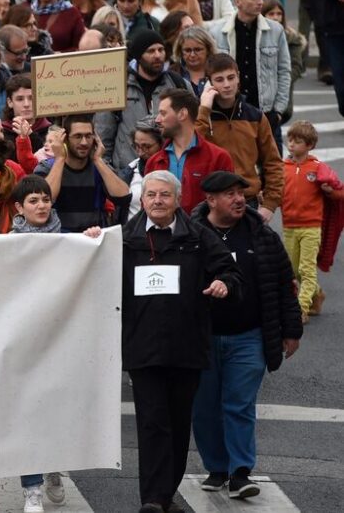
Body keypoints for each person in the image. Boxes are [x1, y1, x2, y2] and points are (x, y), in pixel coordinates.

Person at [121, 170, 240, 513]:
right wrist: (93, 238)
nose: (157, 201)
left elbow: (230, 273)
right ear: (142, 201)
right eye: (151, 195)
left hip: (186, 346)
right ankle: (153, 499)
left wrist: (224, 285)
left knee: (177, 422)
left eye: (164, 195)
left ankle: (164, 493)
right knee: (152, 421)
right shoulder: (124, 239)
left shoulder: (199, 238)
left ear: (178, 199)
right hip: (143, 348)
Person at [190, 170, 302, 499]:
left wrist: (291, 328)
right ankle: (217, 467)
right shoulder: (191, 233)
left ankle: (241, 472)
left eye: (242, 193)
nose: (240, 199)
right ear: (210, 200)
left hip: (248, 337)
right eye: (230, 194)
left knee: (238, 405)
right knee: (205, 407)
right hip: (203, 338)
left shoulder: (261, 235)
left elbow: (284, 282)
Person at [194, 54, 283, 222]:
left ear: (238, 78)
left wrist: (270, 204)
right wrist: (204, 108)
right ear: (209, 83)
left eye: (231, 77)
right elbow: (191, 147)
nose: (227, 85)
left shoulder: (255, 116)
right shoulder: (201, 116)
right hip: (210, 201)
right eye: (219, 80)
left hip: (247, 199)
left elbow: (273, 162)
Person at [207, 0, 292, 150]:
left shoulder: (275, 30)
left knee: (272, 169)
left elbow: (284, 71)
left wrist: (278, 111)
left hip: (266, 113)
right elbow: (209, 72)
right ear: (238, 1)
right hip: (229, 114)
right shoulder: (218, 31)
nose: (260, 1)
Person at [96, 30, 187, 169]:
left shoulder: (178, 84)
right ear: (139, 56)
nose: (157, 55)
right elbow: (104, 134)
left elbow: (189, 126)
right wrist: (108, 171)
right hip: (128, 172)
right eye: (151, 51)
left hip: (170, 168)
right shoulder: (117, 86)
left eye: (161, 50)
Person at [281, 121, 344, 320]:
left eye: (298, 142)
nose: (292, 145)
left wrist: (330, 191)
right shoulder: (283, 167)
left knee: (306, 269)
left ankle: (301, 308)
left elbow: (339, 193)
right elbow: (275, 191)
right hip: (289, 226)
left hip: (311, 227)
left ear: (309, 146)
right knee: (293, 269)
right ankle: (317, 294)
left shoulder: (318, 168)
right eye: (290, 140)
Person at [144, 89, 236, 213]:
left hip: (204, 231)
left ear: (182, 114)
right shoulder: (153, 162)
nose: (157, 120)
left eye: (163, 113)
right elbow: (145, 208)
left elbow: (227, 205)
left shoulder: (218, 157)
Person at [36, 115, 132, 232]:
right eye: (78, 136)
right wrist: (60, 159)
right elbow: (45, 199)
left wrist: (98, 160)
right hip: (59, 239)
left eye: (88, 136)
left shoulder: (99, 167)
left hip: (94, 239)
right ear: (65, 139)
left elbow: (124, 197)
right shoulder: (47, 167)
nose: (84, 142)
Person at [173, 27, 218, 94]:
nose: (192, 55)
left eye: (197, 49)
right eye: (187, 50)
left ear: (208, 50)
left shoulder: (218, 70)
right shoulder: (172, 74)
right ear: (180, 51)